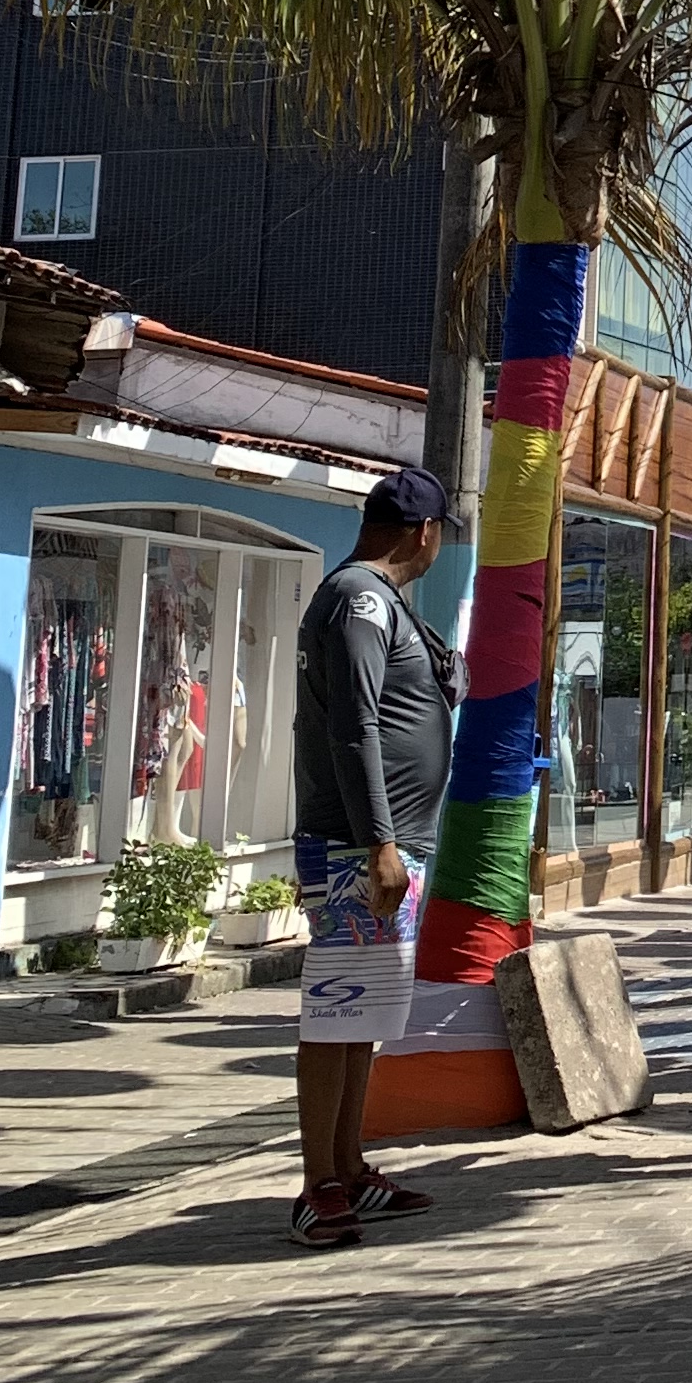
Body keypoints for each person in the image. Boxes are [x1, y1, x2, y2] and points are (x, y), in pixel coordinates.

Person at [290, 461, 463, 1250]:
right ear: (423, 533)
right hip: (358, 848)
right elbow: (354, 725)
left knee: (362, 1014)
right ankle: (317, 1182)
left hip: (388, 846)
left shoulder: (383, 601)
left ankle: (350, 1165)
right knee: (336, 1014)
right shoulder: (360, 599)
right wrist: (380, 843)